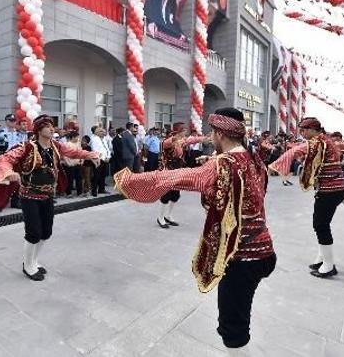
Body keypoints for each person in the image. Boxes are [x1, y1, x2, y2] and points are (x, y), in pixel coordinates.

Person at [114, 108, 276, 352]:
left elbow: (175, 176)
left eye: (212, 133)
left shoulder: (221, 165)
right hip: (264, 249)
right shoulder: (255, 160)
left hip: (242, 257)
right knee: (237, 316)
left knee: (233, 330)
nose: (210, 138)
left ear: (221, 134)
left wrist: (129, 182)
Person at [0, 115, 99, 281]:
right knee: (33, 232)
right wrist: (9, 172)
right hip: (29, 196)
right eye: (47, 126)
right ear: (38, 129)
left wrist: (91, 154)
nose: (52, 128)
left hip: (48, 195)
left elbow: (73, 151)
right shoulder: (27, 147)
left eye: (52, 126)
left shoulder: (56, 145)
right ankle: (27, 265)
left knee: (46, 232)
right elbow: (4, 159)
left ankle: (34, 261)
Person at [270, 118, 344, 278]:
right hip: (333, 189)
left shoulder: (319, 142)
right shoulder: (324, 140)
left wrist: (273, 166)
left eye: (304, 130)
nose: (302, 133)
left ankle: (328, 265)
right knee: (321, 224)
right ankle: (322, 259)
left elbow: (297, 151)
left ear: (313, 129)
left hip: (330, 190)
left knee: (321, 225)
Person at [155, 122, 207, 229]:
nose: (186, 133)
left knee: (175, 195)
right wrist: (178, 136)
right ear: (179, 131)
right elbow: (168, 143)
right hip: (167, 172)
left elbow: (191, 140)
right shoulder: (168, 141)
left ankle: (168, 216)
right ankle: (160, 218)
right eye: (184, 131)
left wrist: (205, 138)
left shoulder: (181, 141)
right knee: (166, 195)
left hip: (177, 171)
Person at [0, 114, 27, 212]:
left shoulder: (20, 134)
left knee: (17, 182)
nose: (12, 122)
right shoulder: (0, 133)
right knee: (2, 183)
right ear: (6, 121)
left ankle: (15, 202)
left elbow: (23, 147)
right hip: (4, 160)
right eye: (10, 120)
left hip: (17, 160)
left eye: (14, 120)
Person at [89, 128, 112, 196]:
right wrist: (103, 158)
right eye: (101, 131)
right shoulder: (94, 139)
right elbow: (95, 150)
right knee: (96, 176)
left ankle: (101, 189)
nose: (103, 133)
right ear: (96, 132)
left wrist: (108, 157)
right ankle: (94, 191)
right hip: (98, 160)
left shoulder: (104, 139)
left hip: (105, 159)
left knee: (103, 175)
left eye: (103, 131)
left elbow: (107, 149)